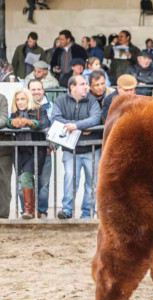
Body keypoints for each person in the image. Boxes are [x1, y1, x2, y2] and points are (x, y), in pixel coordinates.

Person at [52, 75, 102, 219]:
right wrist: (81, 127)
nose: (86, 86)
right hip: (70, 149)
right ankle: (67, 210)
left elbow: (95, 118)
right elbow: (55, 119)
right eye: (82, 84)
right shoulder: (60, 100)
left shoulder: (92, 101)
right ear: (72, 87)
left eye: (86, 83)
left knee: (92, 182)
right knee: (69, 179)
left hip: (91, 149)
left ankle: (87, 212)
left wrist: (74, 126)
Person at [7, 88, 50, 219]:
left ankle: (29, 211)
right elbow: (7, 123)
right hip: (20, 151)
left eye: (23, 99)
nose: (20, 102)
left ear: (28, 99)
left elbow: (44, 123)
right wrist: (11, 123)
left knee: (27, 178)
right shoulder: (14, 113)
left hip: (36, 150)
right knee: (22, 180)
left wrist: (31, 123)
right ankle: (28, 211)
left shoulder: (39, 109)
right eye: (18, 99)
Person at [27, 79, 53, 218]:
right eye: (33, 89)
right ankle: (28, 211)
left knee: (44, 184)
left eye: (39, 89)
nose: (36, 92)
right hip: (27, 150)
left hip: (46, 150)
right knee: (25, 183)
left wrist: (51, 145)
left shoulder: (51, 106)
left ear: (43, 90)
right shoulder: (23, 105)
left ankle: (42, 212)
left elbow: (55, 127)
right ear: (29, 90)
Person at [0, 93, 12, 218]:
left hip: (2, 147)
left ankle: (3, 216)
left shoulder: (2, 98)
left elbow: (3, 119)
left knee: (4, 182)